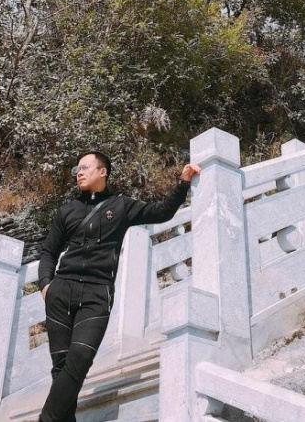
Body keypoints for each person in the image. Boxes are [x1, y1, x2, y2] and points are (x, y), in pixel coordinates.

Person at [37, 151, 201, 422]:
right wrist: (46, 285)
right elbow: (48, 252)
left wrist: (183, 182)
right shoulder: (66, 210)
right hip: (60, 291)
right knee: (61, 368)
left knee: (80, 358)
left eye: (85, 167)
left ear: (103, 171)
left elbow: (161, 211)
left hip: (96, 294)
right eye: (77, 169)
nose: (79, 172)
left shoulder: (121, 206)